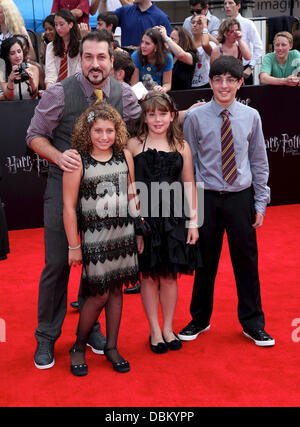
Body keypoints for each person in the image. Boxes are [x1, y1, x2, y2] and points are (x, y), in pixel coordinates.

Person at [26, 30, 141, 370]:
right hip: (65, 189)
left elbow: (143, 125)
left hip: (107, 197)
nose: (94, 64)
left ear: (112, 57)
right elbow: (34, 136)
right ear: (80, 59)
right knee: (59, 263)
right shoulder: (60, 93)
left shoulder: (124, 93)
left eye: (101, 57)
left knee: (100, 269)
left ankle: (89, 329)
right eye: (88, 57)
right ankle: (46, 336)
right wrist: (58, 156)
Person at [180, 55, 275, 347]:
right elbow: (189, 165)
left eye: (230, 80)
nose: (224, 85)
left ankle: (253, 323)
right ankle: (200, 318)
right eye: (218, 79)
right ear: (210, 82)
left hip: (240, 198)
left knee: (246, 262)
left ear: (240, 83)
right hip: (207, 197)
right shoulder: (195, 118)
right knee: (203, 262)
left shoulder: (251, 117)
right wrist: (191, 210)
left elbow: (259, 161)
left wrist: (260, 201)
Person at [63, 103, 141, 376]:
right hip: (95, 238)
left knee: (118, 290)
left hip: (123, 235)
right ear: (88, 131)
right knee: (99, 294)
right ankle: (79, 346)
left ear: (117, 131)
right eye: (98, 130)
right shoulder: (77, 162)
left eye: (110, 130)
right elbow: (68, 208)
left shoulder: (125, 156)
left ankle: (111, 346)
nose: (104, 136)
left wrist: (139, 231)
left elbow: (133, 196)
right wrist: (74, 246)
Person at [127, 91, 201, 353]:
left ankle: (168, 327)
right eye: (152, 114)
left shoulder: (182, 146)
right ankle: (154, 330)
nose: (157, 119)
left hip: (174, 218)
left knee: (170, 277)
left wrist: (194, 222)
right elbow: (130, 188)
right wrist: (136, 225)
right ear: (145, 117)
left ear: (172, 116)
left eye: (162, 113)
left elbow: (190, 184)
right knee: (148, 275)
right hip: (145, 219)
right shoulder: (133, 145)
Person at [99, 0, 172, 48]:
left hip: (149, 67)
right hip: (126, 64)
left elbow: (167, 47)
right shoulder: (124, 11)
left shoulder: (162, 18)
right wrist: (103, 1)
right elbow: (103, 20)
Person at [224, 0, 264, 85]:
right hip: (226, 68)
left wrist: (250, 67)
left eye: (230, 3)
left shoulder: (248, 23)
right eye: (225, 3)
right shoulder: (223, 24)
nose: (227, 6)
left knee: (246, 98)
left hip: (244, 69)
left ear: (238, 6)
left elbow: (259, 47)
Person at [45, 9, 81, 88]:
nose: (58, 28)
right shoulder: (51, 46)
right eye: (56, 24)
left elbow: (79, 74)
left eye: (61, 24)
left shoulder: (80, 45)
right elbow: (50, 74)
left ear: (70, 24)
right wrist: (49, 90)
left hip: (76, 89)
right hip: (56, 89)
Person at [131, 27, 173, 92]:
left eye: (147, 43)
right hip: (140, 94)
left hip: (158, 94)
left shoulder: (167, 57)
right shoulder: (136, 56)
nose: (142, 46)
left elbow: (167, 83)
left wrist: (163, 89)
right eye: (142, 42)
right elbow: (134, 84)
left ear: (156, 46)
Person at [157, 25, 198, 90]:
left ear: (182, 41)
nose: (169, 41)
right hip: (166, 95)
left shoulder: (191, 54)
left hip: (183, 96)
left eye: (172, 39)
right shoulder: (168, 56)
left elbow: (181, 55)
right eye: (170, 38)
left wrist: (166, 37)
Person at [0, 36, 39, 100]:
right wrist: (11, 80)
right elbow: (10, 97)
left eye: (19, 51)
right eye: (12, 53)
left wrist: (31, 81)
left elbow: (34, 95)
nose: (17, 56)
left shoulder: (33, 68)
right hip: (12, 107)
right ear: (7, 56)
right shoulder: (2, 73)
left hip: (31, 106)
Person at [190, 14, 216, 88]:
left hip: (205, 84)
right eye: (193, 22)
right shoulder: (187, 43)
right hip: (189, 83)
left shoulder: (211, 44)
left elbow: (205, 44)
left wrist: (205, 25)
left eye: (199, 23)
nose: (195, 25)